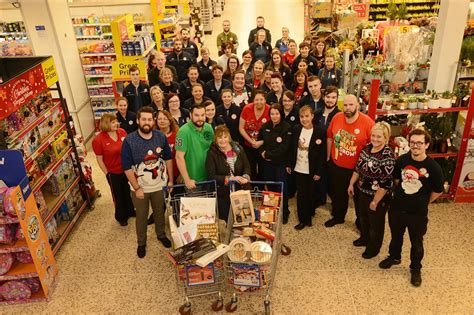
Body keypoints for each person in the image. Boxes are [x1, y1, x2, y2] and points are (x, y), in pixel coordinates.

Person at [379, 128, 443, 287]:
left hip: (418, 214)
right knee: (396, 237)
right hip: (397, 209)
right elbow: (395, 180)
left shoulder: (433, 167)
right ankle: (394, 257)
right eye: (412, 142)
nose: (415, 146)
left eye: (419, 143)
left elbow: (438, 190)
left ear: (426, 145)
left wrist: (423, 201)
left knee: (417, 242)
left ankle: (415, 268)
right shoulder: (402, 160)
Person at [121, 106, 173, 258]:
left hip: (159, 185)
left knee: (158, 212)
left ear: (153, 121)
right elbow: (126, 167)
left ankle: (161, 234)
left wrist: (170, 179)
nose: (147, 122)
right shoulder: (129, 141)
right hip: (140, 188)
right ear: (138, 120)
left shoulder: (160, 137)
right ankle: (141, 243)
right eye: (143, 119)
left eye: (150, 119)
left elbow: (168, 159)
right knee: (142, 216)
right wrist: (137, 188)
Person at [325, 95, 375, 228]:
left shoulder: (368, 122)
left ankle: (361, 222)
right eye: (345, 105)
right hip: (337, 166)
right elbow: (329, 137)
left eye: (351, 105)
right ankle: (338, 217)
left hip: (358, 170)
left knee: (359, 199)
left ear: (357, 105)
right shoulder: (337, 117)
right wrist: (328, 158)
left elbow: (374, 146)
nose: (347, 108)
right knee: (338, 195)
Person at [348, 122, 395, 259]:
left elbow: (385, 184)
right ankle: (364, 238)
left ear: (386, 138)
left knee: (376, 224)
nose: (375, 139)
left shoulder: (387, 156)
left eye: (379, 137)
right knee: (363, 218)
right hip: (362, 192)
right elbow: (358, 168)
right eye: (373, 135)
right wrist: (351, 184)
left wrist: (375, 201)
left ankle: (373, 248)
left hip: (378, 197)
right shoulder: (367, 148)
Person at [92, 113, 135, 226]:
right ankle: (121, 216)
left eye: (116, 121)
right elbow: (99, 159)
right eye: (113, 122)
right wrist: (107, 173)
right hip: (113, 172)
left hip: (126, 169)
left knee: (127, 189)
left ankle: (130, 210)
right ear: (106, 124)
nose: (116, 123)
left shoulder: (122, 132)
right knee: (118, 194)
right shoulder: (98, 140)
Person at [286, 105, 326, 230]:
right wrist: (289, 164)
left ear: (312, 116)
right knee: (302, 195)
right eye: (302, 117)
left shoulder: (320, 131)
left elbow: (322, 154)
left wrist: (319, 171)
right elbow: (292, 149)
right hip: (299, 168)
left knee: (311, 193)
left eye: (307, 116)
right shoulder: (296, 129)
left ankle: (310, 213)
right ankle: (303, 219)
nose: (304, 119)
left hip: (312, 169)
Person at [206, 125, 250, 221]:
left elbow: (246, 166)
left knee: (242, 217)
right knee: (226, 218)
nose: (223, 140)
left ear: (229, 137)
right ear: (215, 139)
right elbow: (211, 175)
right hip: (223, 193)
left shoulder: (238, 149)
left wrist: (245, 177)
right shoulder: (212, 153)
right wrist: (229, 178)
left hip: (240, 190)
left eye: (225, 137)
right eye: (220, 137)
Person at [258, 104, 292, 224]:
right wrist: (262, 152)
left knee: (282, 189)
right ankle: (271, 211)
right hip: (267, 164)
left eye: (277, 113)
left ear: (281, 114)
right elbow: (260, 142)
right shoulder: (265, 126)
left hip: (280, 164)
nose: (274, 116)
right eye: (272, 114)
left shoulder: (287, 128)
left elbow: (284, 148)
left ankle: (285, 212)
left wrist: (267, 155)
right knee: (270, 188)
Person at [175, 104, 215, 189]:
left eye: (202, 115)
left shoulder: (208, 128)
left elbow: (213, 149)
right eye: (196, 115)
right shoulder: (183, 132)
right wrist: (187, 180)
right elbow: (179, 157)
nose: (200, 118)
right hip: (193, 180)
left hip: (209, 177)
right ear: (190, 115)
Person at [314, 86, 340, 208]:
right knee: (318, 175)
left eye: (333, 97)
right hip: (317, 151)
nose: (330, 100)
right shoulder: (317, 113)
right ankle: (319, 197)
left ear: (337, 99)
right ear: (324, 97)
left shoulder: (340, 115)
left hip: (333, 152)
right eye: (328, 97)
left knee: (333, 180)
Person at [239, 90, 270, 182]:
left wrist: (261, 142)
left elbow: (272, 131)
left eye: (261, 99)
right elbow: (241, 128)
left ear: (265, 100)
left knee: (263, 170)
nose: (259, 102)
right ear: (253, 100)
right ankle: (252, 190)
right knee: (250, 169)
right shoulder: (247, 109)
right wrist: (251, 141)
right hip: (249, 145)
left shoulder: (269, 110)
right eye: (256, 99)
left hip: (263, 145)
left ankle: (261, 191)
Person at [156, 110, 180, 182]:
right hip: (158, 175)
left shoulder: (178, 135)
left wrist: (182, 174)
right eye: (159, 119)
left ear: (170, 121)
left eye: (165, 119)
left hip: (176, 173)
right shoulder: (153, 136)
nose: (162, 121)